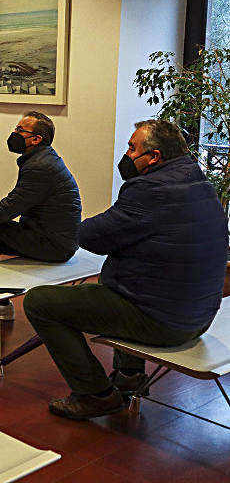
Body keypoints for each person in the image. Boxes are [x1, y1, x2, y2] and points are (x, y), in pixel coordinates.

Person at [24, 120, 228, 420]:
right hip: (199, 316)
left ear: (155, 156)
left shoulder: (150, 189)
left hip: (164, 322)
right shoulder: (201, 184)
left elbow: (90, 236)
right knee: (118, 280)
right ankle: (129, 374)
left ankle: (95, 394)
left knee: (40, 303)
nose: (127, 154)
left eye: (133, 148)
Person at [0, 111, 81, 320]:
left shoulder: (40, 167)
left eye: (19, 130)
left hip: (54, 245)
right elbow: (12, 207)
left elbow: (8, 209)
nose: (14, 133)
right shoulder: (43, 159)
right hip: (52, 238)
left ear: (36, 139)